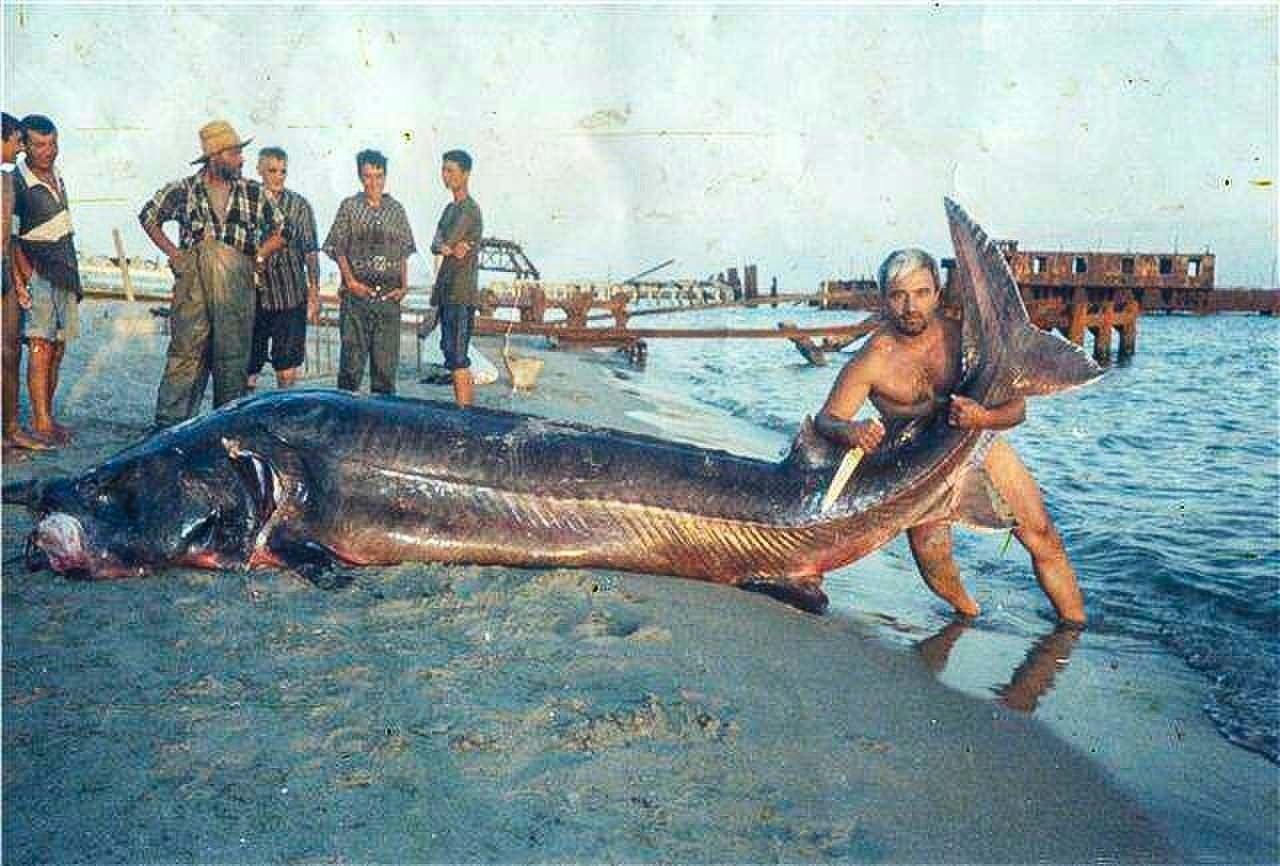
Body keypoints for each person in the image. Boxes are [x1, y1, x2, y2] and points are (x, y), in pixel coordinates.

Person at [815, 248, 1087, 625]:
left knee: (1042, 536)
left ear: (937, 293)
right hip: (914, 461)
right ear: (883, 299)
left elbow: (1018, 409)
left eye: (921, 293)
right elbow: (827, 420)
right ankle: (969, 615)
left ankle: (1074, 628)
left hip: (976, 439)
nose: (911, 306)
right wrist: (852, 431)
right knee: (933, 554)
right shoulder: (872, 358)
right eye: (898, 295)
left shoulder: (963, 341)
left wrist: (985, 415)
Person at [140, 120, 285, 427]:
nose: (242, 159)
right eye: (234, 153)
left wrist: (258, 255)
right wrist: (175, 255)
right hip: (192, 287)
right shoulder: (183, 189)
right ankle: (169, 428)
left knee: (233, 358)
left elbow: (283, 230)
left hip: (236, 286)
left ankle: (225, 429)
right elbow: (148, 216)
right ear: (215, 156)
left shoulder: (253, 192)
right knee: (185, 354)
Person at [11, 114, 82, 446]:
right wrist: (25, 277)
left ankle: (48, 417)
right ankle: (40, 422)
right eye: (40, 145)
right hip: (38, 273)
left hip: (66, 272)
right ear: (24, 145)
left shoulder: (59, 176)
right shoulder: (16, 182)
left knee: (59, 348)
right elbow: (10, 238)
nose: (49, 151)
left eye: (53, 143)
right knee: (40, 347)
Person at [323, 149, 416, 395]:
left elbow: (405, 250)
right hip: (357, 300)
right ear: (360, 177)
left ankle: (381, 431)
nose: (373, 182)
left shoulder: (396, 209)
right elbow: (337, 248)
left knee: (385, 375)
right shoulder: (350, 207)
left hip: (388, 301)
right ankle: (344, 428)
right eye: (368, 176)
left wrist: (404, 286)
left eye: (378, 176)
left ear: (385, 176)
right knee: (350, 372)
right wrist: (351, 282)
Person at [247, 146, 320, 390]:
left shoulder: (299, 206)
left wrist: (314, 292)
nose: (278, 176)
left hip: (290, 296)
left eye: (283, 171)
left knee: (287, 371)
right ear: (259, 170)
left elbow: (311, 251)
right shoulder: (246, 201)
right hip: (252, 298)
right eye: (272, 170)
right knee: (247, 369)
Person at [2, 112, 49, 453]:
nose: (20, 148)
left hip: (3, 272)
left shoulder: (6, 183)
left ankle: (11, 429)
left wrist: (18, 283)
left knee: (8, 354)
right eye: (17, 140)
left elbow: (12, 238)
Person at [430, 149, 483, 407]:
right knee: (451, 353)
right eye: (443, 170)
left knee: (458, 356)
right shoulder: (450, 208)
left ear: (466, 174)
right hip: (447, 292)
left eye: (450, 170)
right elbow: (436, 243)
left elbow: (446, 239)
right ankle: (464, 411)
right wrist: (446, 246)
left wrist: (447, 244)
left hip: (461, 294)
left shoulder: (469, 210)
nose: (445, 175)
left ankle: (466, 416)